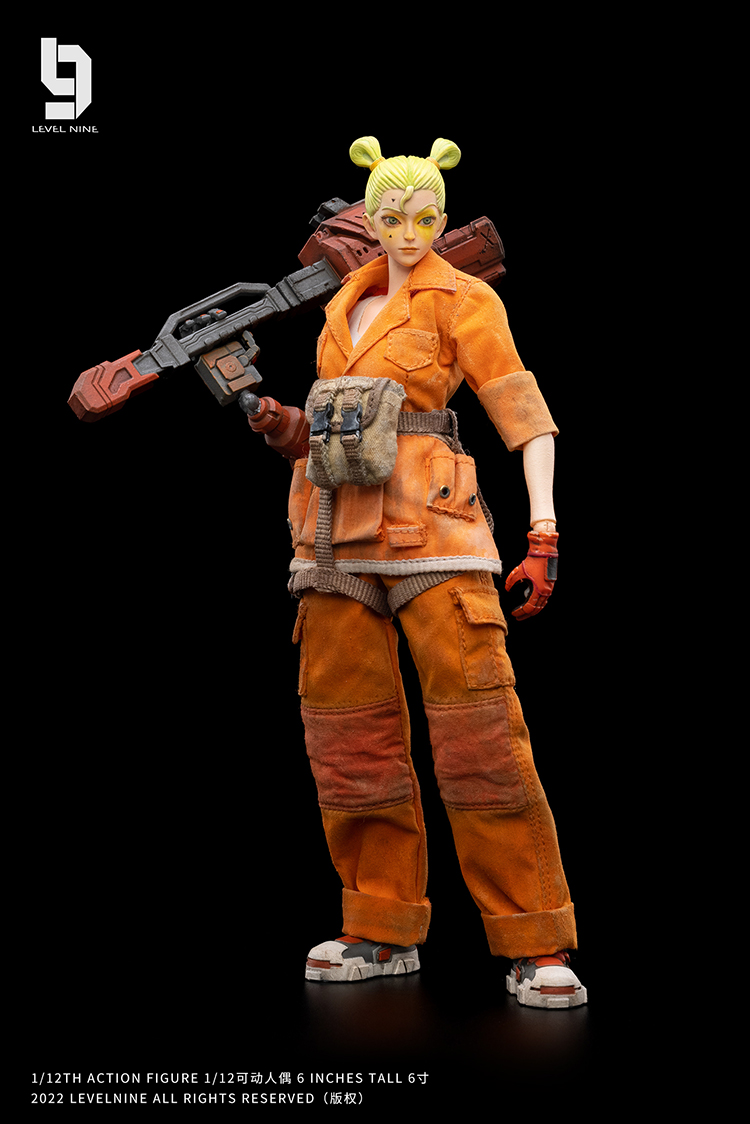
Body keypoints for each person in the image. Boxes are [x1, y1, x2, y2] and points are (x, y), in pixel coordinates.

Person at [280, 136, 586, 1008]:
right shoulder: (342, 302)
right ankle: (379, 925)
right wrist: (284, 428)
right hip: (332, 542)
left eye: (423, 218)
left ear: (442, 219)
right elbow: (340, 424)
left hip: (436, 539)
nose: (407, 233)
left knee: (480, 739)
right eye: (390, 218)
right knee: (349, 744)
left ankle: (535, 939)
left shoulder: (465, 296)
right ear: (368, 222)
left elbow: (524, 414)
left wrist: (543, 531)